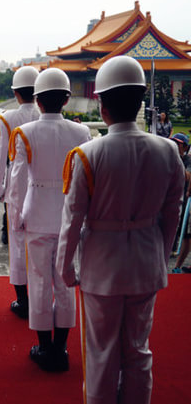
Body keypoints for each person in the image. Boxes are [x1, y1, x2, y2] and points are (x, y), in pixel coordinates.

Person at [57, 56, 184, 404]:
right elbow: (172, 213)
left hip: (102, 266)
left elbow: (72, 221)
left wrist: (65, 267)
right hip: (145, 262)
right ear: (140, 100)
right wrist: (160, 254)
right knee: (138, 350)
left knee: (101, 353)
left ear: (102, 101)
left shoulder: (86, 154)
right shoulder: (169, 151)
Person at [9, 67, 91, 371]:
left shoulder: (25, 133)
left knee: (40, 282)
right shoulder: (81, 132)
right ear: (67, 99)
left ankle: (44, 348)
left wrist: (16, 218)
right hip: (69, 216)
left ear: (37, 100)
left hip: (37, 214)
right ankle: (61, 348)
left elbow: (17, 183)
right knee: (66, 282)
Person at [0, 65, 40, 319]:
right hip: (44, 183)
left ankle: (23, 299)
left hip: (17, 185)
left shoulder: (7, 118)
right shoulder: (47, 113)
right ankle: (44, 296)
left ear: (16, 92)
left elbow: (1, 157)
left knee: (18, 241)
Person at [170, 132, 191, 273]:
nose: (175, 146)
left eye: (178, 143)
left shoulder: (187, 160)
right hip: (171, 200)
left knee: (185, 233)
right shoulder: (168, 157)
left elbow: (187, 177)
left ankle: (176, 264)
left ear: (184, 146)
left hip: (185, 200)